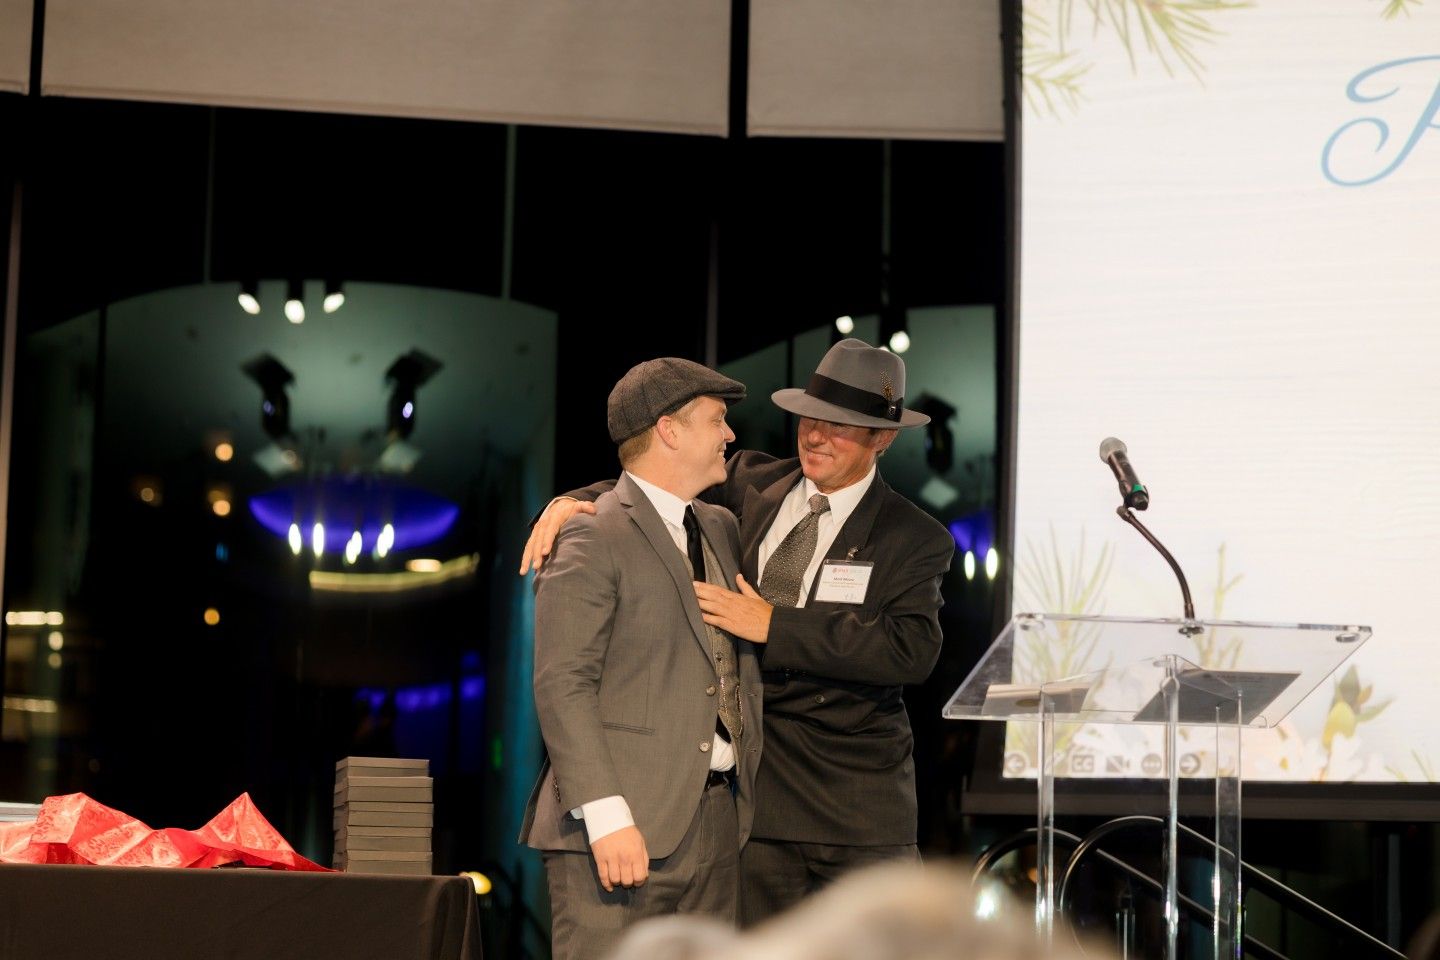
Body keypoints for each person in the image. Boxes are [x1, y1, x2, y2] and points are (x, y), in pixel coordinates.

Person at [522, 338, 954, 926]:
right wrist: (570, 500)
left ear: (882, 438)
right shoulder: (743, 488)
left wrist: (775, 624)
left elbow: (910, 650)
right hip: (754, 798)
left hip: (856, 803)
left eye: (843, 426)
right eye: (811, 418)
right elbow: (652, 486)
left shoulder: (915, 535)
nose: (817, 436)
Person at [517, 358, 764, 960]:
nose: (730, 436)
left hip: (715, 822)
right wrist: (606, 816)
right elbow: (563, 685)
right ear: (669, 430)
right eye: (717, 420)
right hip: (620, 827)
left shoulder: (720, 526)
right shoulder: (589, 534)